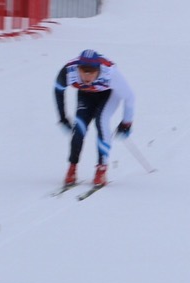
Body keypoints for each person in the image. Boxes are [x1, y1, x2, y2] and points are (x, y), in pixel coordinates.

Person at [55, 49, 136, 187]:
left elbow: (129, 97)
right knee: (79, 128)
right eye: (83, 71)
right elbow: (58, 90)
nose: (87, 76)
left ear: (98, 70)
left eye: (91, 72)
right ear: (78, 68)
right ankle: (72, 168)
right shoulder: (69, 71)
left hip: (108, 95)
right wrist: (62, 117)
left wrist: (126, 122)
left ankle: (101, 168)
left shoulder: (110, 73)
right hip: (86, 95)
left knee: (101, 121)